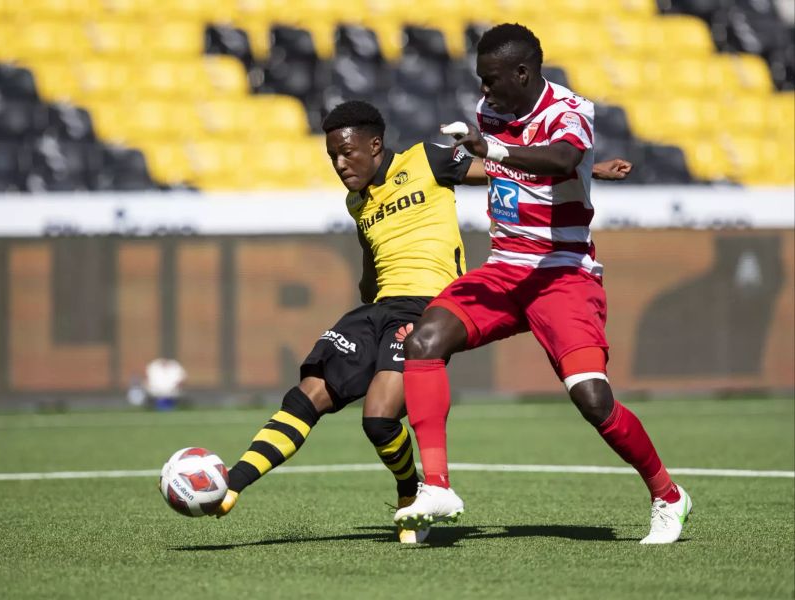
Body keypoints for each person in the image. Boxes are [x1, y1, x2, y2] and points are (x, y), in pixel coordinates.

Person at [211, 99, 634, 544]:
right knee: (308, 394)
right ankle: (230, 485)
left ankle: (411, 490)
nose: (339, 164)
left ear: (375, 145)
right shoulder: (357, 202)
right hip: (374, 311)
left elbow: (504, 172)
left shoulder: (427, 159)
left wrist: (590, 172)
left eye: (347, 153)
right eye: (332, 156)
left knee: (378, 420)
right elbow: (371, 266)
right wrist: (363, 318)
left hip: (425, 310)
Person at [393, 24, 692, 545]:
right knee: (423, 341)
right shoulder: (493, 112)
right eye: (480, 81)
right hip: (505, 267)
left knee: (592, 399)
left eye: (491, 80)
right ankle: (436, 487)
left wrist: (500, 151)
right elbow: (511, 168)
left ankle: (668, 495)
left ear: (523, 73)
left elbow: (560, 159)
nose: (484, 91)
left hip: (562, 272)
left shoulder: (570, 110)